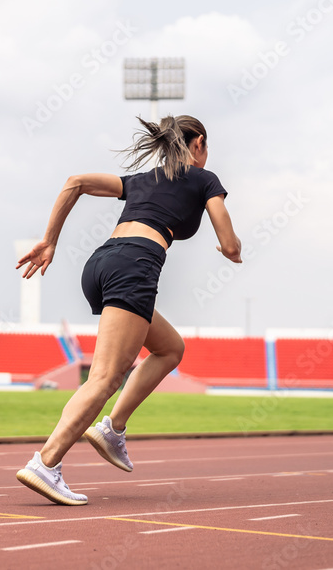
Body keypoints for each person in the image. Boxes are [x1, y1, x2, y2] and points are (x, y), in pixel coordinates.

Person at [14, 114, 242, 505]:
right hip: (136, 264)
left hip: (102, 262)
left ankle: (112, 429)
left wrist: (49, 241)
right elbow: (231, 243)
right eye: (207, 148)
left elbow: (76, 183)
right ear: (199, 143)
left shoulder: (142, 179)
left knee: (170, 348)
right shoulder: (205, 179)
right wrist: (230, 249)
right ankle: (46, 463)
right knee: (104, 378)